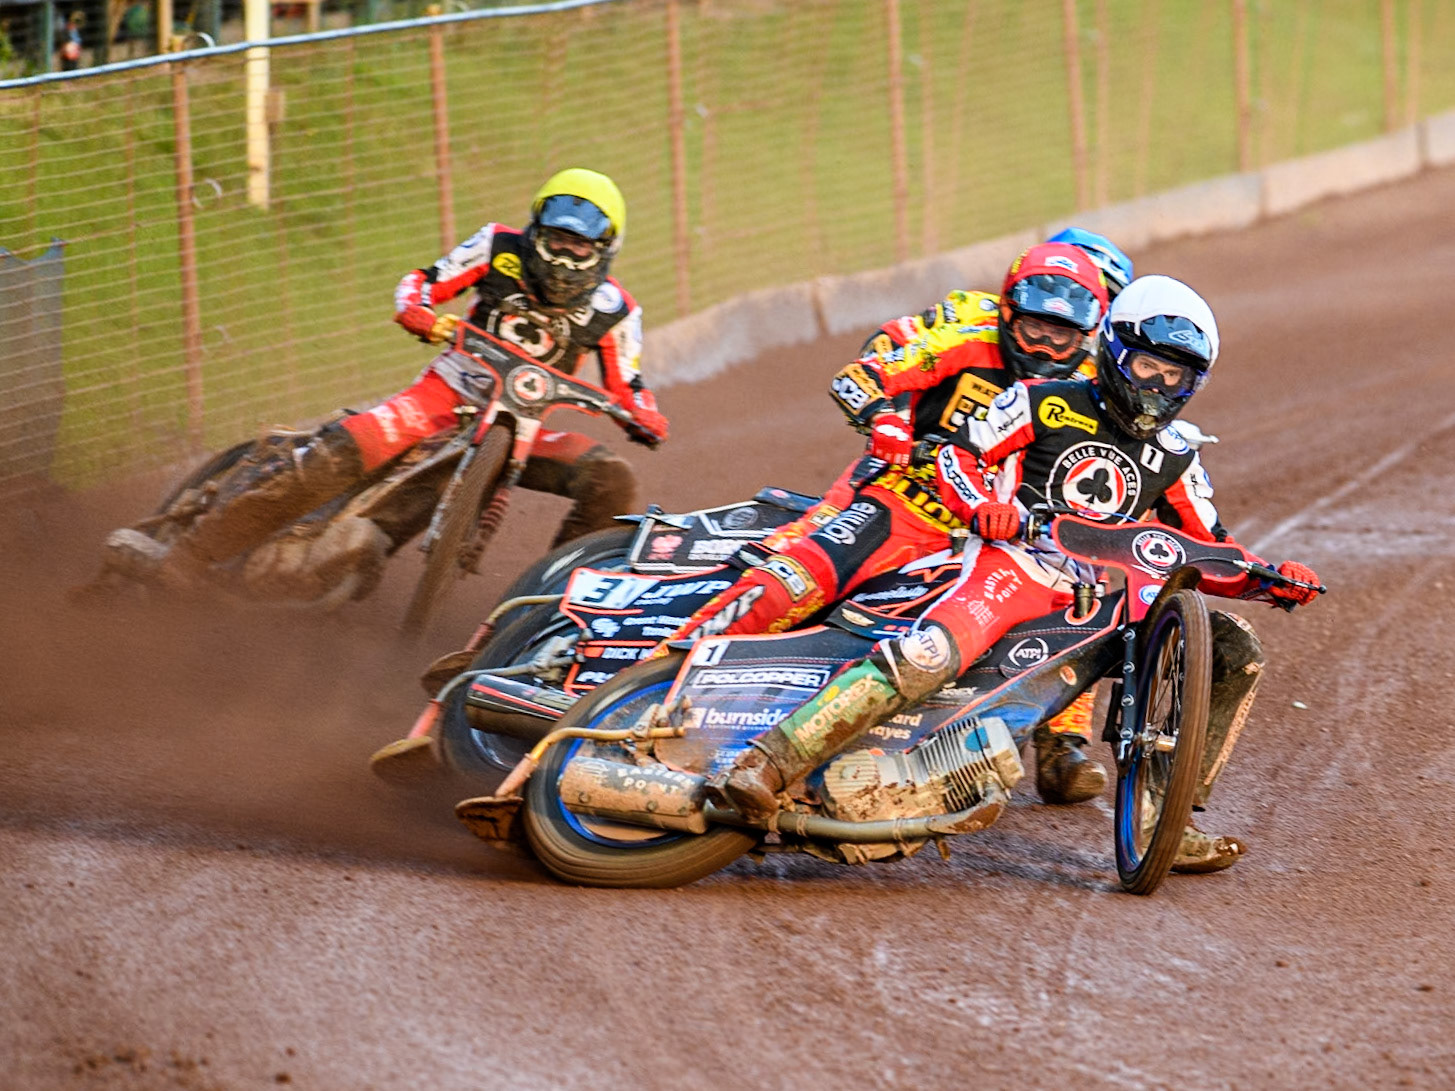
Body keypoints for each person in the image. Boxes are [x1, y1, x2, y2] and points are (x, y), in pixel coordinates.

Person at [709, 275, 1321, 873]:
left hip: (1098, 602)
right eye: (1147, 366)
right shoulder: (1041, 400)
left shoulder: (1179, 453)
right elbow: (957, 454)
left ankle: (1170, 819)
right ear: (1113, 352)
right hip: (1012, 568)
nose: (1159, 385)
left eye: (1176, 375)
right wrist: (984, 505)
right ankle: (766, 762)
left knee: (1233, 648)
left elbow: (1207, 548)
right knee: (929, 655)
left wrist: (1268, 579)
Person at [651, 242, 1113, 801]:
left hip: (1007, 545)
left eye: (1061, 334)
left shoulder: (1095, 386)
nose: (1043, 344)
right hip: (910, 500)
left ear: (1088, 333)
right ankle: (651, 677)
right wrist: (886, 417)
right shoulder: (966, 334)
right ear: (1009, 310)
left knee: (1084, 599)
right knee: (794, 575)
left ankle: (1055, 742)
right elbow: (863, 375)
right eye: (1034, 326)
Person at [107, 168, 668, 592]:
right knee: (337, 454)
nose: (566, 255)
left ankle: (551, 608)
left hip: (526, 427)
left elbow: (631, 382)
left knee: (611, 479)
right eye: (556, 239)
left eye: (580, 245)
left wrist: (643, 414)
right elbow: (421, 282)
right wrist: (422, 313)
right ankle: (189, 557)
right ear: (535, 230)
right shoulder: (498, 246)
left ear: (604, 249)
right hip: (442, 397)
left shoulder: (617, 310)